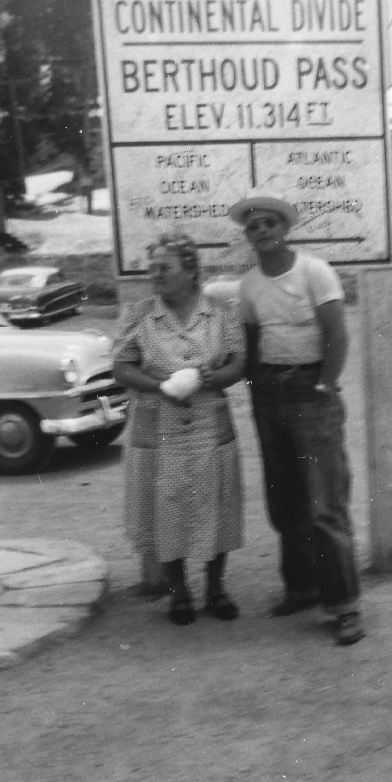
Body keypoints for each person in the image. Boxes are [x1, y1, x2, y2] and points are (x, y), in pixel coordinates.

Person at [231, 195, 367, 646]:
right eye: (254, 227)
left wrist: (326, 385)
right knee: (285, 501)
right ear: (247, 236)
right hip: (269, 395)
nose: (263, 231)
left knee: (325, 504)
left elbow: (338, 333)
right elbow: (251, 342)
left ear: (285, 229)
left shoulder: (314, 271)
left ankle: (345, 606)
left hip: (312, 394)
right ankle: (301, 588)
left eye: (270, 223)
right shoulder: (248, 285)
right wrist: (255, 388)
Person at [112, 232, 246, 624]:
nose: (156, 274)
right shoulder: (139, 315)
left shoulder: (222, 313)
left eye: (164, 267)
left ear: (191, 271)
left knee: (215, 506)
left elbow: (238, 365)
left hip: (208, 424)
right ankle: (180, 592)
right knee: (165, 509)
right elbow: (121, 367)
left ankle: (216, 588)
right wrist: (159, 387)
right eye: (152, 267)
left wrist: (209, 376)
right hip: (159, 426)